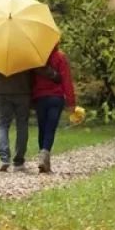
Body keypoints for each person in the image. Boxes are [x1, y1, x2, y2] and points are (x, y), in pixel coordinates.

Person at [0, 67, 61, 172]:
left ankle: (4, 159)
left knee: (3, 124)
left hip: (3, 91)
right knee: (22, 125)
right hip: (23, 91)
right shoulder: (26, 52)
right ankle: (19, 162)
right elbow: (38, 68)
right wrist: (54, 75)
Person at [32, 42, 76, 173]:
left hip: (39, 97)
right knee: (50, 129)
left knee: (42, 128)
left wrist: (30, 99)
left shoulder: (37, 59)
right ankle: (44, 157)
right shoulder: (60, 57)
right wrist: (71, 102)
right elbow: (66, 80)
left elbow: (31, 80)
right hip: (56, 98)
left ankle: (43, 159)